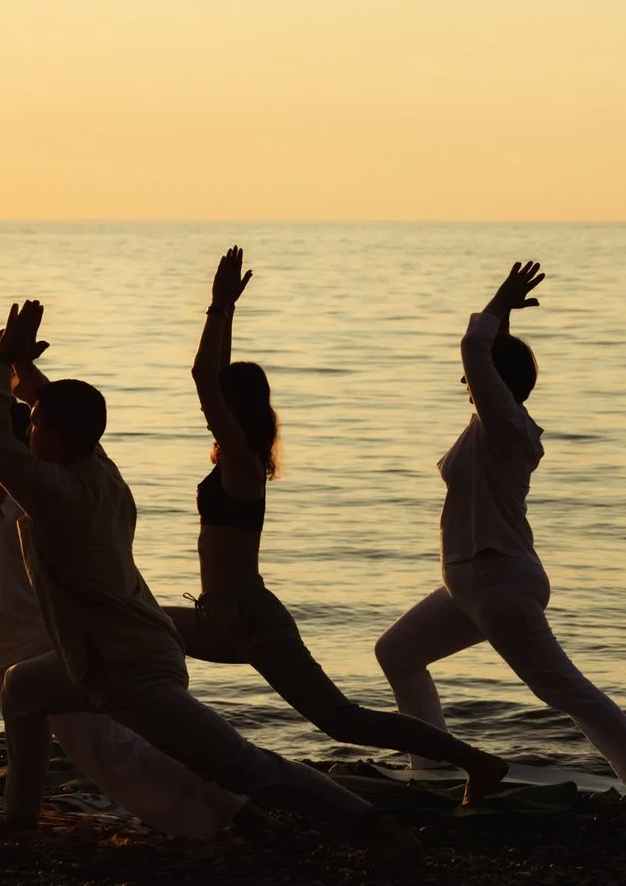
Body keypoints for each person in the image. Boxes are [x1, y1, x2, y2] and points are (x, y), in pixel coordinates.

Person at [0, 300, 410, 856]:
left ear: (51, 436)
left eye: (33, 424)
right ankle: (20, 820)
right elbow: (54, 409)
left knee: (242, 766)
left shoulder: (58, 494)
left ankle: (370, 824)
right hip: (108, 652)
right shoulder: (94, 466)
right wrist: (17, 370)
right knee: (23, 688)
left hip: (130, 668)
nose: (27, 429)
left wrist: (1, 360)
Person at [172, 247, 509, 802]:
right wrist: (227, 310)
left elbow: (203, 377)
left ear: (232, 413)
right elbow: (216, 379)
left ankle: (477, 761)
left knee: (342, 720)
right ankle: (157, 753)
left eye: (219, 405)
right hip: (221, 613)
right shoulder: (240, 455)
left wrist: (217, 307)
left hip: (248, 616)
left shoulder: (240, 462)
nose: (209, 410)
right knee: (133, 632)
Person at [0, 354, 247, 840]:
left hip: (50, 649)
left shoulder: (39, 497)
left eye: (32, 429)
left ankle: (228, 813)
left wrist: (2, 364)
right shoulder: (0, 495)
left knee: (109, 751)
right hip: (2, 652)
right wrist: (4, 364)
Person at [373, 263, 626, 800]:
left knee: (561, 688)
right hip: (465, 587)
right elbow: (489, 358)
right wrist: (507, 317)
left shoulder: (507, 428)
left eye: (474, 381)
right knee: (397, 652)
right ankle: (433, 763)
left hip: (499, 582)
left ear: (494, 384)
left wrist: (498, 300)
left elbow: (475, 349)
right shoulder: (488, 427)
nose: (465, 385)